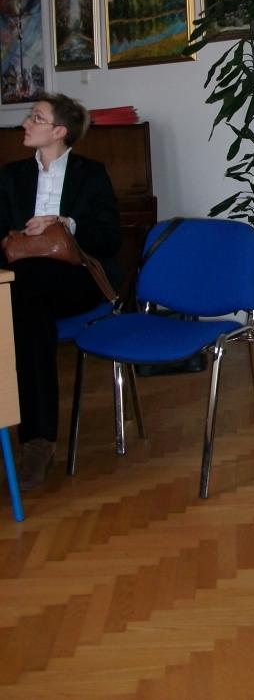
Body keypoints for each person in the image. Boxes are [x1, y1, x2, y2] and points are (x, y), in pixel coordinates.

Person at [0, 93, 121, 490]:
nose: (25, 123)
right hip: (25, 282)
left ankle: (34, 441)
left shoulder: (91, 174)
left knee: (22, 297)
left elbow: (109, 240)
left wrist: (66, 223)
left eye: (36, 118)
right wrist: (18, 235)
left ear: (59, 131)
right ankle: (38, 442)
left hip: (75, 278)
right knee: (29, 311)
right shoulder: (11, 175)